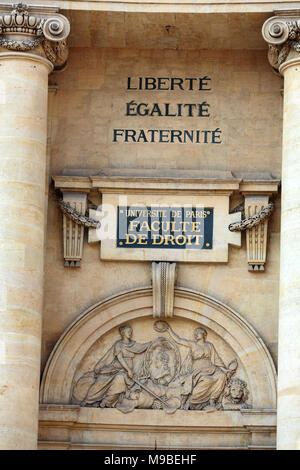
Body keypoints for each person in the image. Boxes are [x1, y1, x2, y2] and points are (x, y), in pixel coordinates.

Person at [158, 321, 233, 409]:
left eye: (198, 333)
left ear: (204, 335)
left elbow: (216, 359)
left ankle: (213, 398)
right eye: (195, 333)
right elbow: (179, 340)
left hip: (210, 369)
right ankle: (194, 400)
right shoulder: (193, 344)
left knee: (222, 376)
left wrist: (225, 370)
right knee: (207, 380)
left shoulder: (209, 345)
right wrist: (168, 330)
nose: (196, 334)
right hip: (197, 371)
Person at [72, 325, 150, 408]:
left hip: (127, 372)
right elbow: (120, 358)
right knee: (105, 382)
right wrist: (128, 370)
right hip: (116, 369)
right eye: (128, 332)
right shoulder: (119, 344)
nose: (130, 333)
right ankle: (89, 400)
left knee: (120, 382)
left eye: (131, 332)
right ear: (123, 333)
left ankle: (107, 402)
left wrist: (153, 342)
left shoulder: (133, 344)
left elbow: (141, 348)